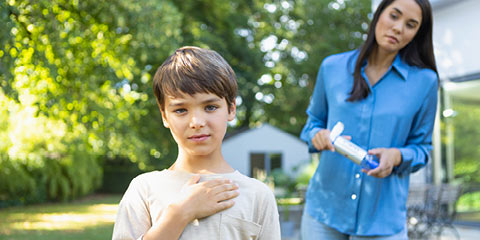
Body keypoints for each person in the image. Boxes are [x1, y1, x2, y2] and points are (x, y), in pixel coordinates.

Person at [299, 0, 438, 239]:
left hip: (382, 221)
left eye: (410, 24)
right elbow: (312, 124)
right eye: (394, 16)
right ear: (379, 13)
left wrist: (396, 156)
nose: (398, 28)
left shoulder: (425, 82)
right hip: (324, 212)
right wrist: (317, 136)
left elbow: (422, 149)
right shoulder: (332, 67)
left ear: (417, 34)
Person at [112, 46, 281, 240]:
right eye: (181, 110)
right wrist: (181, 212)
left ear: (231, 108)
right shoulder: (144, 189)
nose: (197, 122)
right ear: (164, 116)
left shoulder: (258, 196)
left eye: (210, 107)